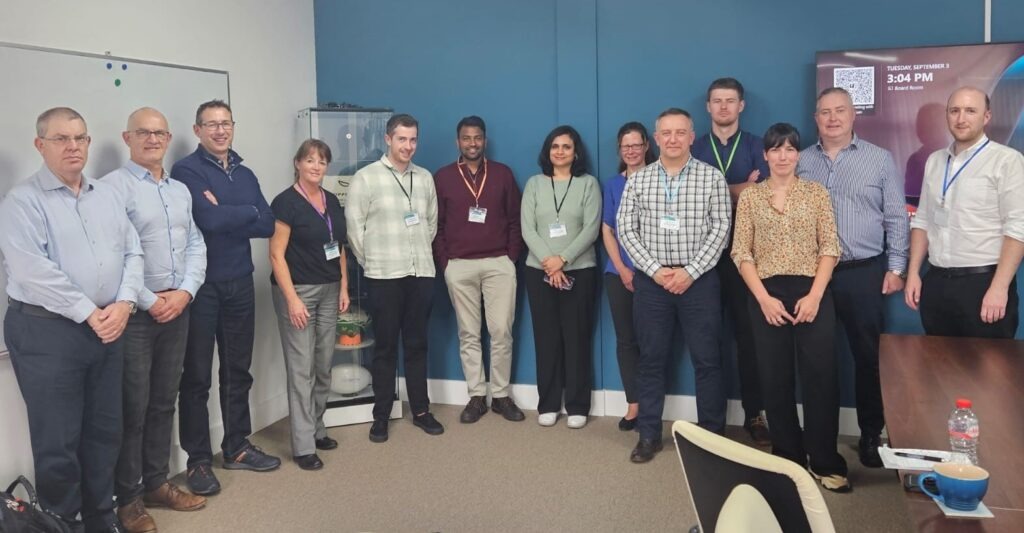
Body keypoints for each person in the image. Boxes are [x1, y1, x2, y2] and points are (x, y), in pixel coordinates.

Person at [0, 107, 143, 533]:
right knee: (58, 442)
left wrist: (125, 303)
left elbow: (133, 252)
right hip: (46, 331)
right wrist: (91, 313)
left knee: (105, 432)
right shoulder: (22, 201)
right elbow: (31, 271)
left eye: (80, 138)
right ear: (40, 145)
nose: (73, 146)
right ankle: (65, 524)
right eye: (61, 139)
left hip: (108, 326)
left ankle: (101, 519)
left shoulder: (106, 196)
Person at [102, 108, 208, 532]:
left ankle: (156, 483)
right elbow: (113, 254)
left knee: (165, 401)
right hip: (136, 314)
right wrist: (149, 300)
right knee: (134, 407)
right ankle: (128, 499)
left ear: (168, 138)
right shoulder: (111, 188)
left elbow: (195, 243)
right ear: (127, 137)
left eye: (159, 132)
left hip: (177, 309)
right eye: (143, 132)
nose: (152, 139)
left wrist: (185, 292)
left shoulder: (179, 190)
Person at [732, 123, 849, 493]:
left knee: (821, 377)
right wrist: (763, 299)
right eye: (775, 149)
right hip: (765, 294)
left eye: (789, 149)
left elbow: (829, 247)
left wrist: (815, 296)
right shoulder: (751, 198)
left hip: (811, 291)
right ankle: (788, 457)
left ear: (798, 155)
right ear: (765, 155)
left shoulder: (815, 193)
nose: (782, 156)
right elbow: (741, 252)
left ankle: (824, 460)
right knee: (775, 378)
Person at [796, 87, 909, 469]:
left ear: (853, 114)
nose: (832, 118)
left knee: (868, 358)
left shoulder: (879, 159)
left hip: (862, 273)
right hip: (813, 278)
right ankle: (819, 439)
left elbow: (896, 216)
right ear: (816, 118)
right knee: (817, 360)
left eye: (840, 110)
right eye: (825, 112)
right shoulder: (801, 161)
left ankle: (871, 434)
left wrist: (896, 267)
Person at [173, 99, 279, 496]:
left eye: (226, 123)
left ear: (233, 127)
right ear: (197, 130)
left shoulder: (245, 173)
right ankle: (198, 460)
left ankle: (236, 445)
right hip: (202, 287)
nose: (220, 130)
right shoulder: (186, 170)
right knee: (196, 377)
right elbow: (207, 219)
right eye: (211, 124)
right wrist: (247, 211)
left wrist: (235, 211)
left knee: (238, 370)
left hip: (240, 282)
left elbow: (267, 223)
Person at [618, 108, 730, 463]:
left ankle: (712, 439)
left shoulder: (711, 178)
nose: (673, 139)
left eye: (680, 132)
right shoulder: (639, 180)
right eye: (665, 133)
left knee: (708, 361)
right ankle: (649, 435)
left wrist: (690, 272)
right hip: (653, 284)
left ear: (691, 136)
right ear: (656, 138)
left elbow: (721, 229)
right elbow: (626, 229)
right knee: (651, 360)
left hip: (699, 283)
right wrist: (655, 271)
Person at [346, 113, 444, 443]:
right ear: (388, 139)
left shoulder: (425, 178)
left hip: (421, 273)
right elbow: (354, 230)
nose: (408, 146)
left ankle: (421, 411)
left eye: (413, 139)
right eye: (402, 139)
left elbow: (431, 224)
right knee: (385, 347)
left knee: (417, 344)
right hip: (384, 275)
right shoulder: (366, 178)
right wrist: (373, 262)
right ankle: (382, 415)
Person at [905, 86, 1024, 337]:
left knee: (989, 362)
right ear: (947, 115)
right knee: (938, 361)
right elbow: (922, 220)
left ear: (986, 116)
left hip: (984, 284)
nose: (961, 118)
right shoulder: (935, 161)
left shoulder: (1007, 161)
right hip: (936, 283)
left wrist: (999, 288)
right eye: (954, 111)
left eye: (970, 111)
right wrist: (914, 272)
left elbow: (1018, 227)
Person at [691, 78, 771, 446]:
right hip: (702, 258)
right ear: (708, 106)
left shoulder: (758, 146)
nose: (723, 107)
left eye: (730, 101)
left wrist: (714, 190)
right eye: (717, 101)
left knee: (749, 338)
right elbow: (688, 199)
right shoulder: (693, 148)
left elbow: (765, 194)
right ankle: (711, 421)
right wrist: (739, 188)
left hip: (747, 258)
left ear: (741, 106)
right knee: (707, 340)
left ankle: (755, 413)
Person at [433, 116, 526, 423]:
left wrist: (511, 257)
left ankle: (500, 395)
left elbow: (515, 219)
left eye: (477, 138)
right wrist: (446, 263)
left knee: (501, 331)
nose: (472, 143)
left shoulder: (502, 174)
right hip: (459, 265)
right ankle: (476, 395)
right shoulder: (443, 177)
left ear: (485, 140)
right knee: (469, 333)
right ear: (457, 141)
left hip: (499, 263)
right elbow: (437, 224)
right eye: (466, 138)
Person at [269, 139, 351, 470]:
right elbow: (276, 255)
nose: (316, 166)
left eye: (322, 161)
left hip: (331, 289)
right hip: (299, 291)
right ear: (298, 163)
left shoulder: (331, 200)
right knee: (301, 369)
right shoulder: (285, 203)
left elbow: (339, 247)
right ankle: (303, 446)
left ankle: (317, 429)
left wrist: (344, 286)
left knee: (323, 364)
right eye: (310, 160)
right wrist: (291, 299)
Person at [521, 125, 601, 429]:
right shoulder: (534, 184)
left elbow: (591, 229)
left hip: (579, 270)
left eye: (566, 146)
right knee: (546, 339)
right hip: (538, 270)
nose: (560, 151)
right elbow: (528, 228)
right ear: (548, 151)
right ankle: (549, 403)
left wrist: (563, 260)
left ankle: (578, 405)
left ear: (576, 152)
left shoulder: (588, 184)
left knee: (577, 338)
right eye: (555, 146)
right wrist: (550, 263)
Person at [601, 121, 655, 431]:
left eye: (636, 145)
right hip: (618, 273)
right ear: (620, 150)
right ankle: (633, 403)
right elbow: (607, 229)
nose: (632, 151)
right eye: (626, 146)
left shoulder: (662, 177)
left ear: (647, 146)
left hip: (654, 275)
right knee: (626, 340)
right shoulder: (613, 185)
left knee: (654, 341)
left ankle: (652, 402)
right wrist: (622, 268)